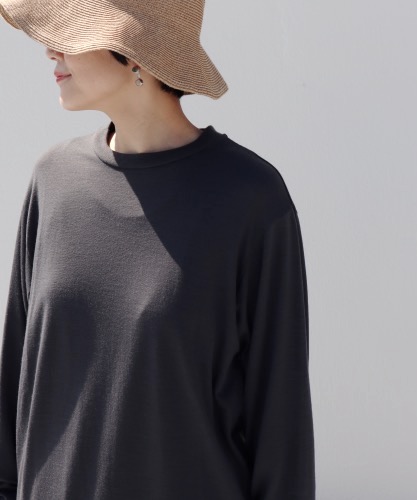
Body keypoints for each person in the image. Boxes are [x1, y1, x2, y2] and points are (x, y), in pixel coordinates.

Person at [0, 1, 316, 499]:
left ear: (133, 54)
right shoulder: (54, 181)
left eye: (71, 35)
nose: (50, 51)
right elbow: (16, 380)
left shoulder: (248, 198)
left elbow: (281, 415)